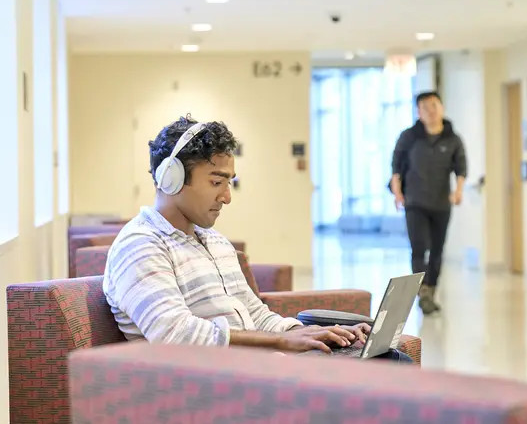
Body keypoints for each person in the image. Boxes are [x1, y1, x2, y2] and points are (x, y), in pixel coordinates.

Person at [103, 114, 412, 362]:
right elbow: (176, 335)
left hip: (256, 368)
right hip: (210, 386)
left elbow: (255, 315)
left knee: (384, 358)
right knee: (385, 368)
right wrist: (283, 341)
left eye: (229, 184)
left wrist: (312, 333)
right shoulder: (141, 245)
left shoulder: (215, 242)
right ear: (171, 179)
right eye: (216, 182)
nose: (226, 197)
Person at [391, 91, 468, 315]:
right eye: (425, 107)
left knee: (437, 249)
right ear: (418, 112)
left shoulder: (452, 138)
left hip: (441, 203)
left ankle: (431, 290)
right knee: (418, 247)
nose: (430, 111)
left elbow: (461, 167)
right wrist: (397, 192)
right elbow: (396, 165)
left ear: (442, 107)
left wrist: (459, 191)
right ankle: (422, 290)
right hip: (414, 201)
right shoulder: (409, 136)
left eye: (434, 106)